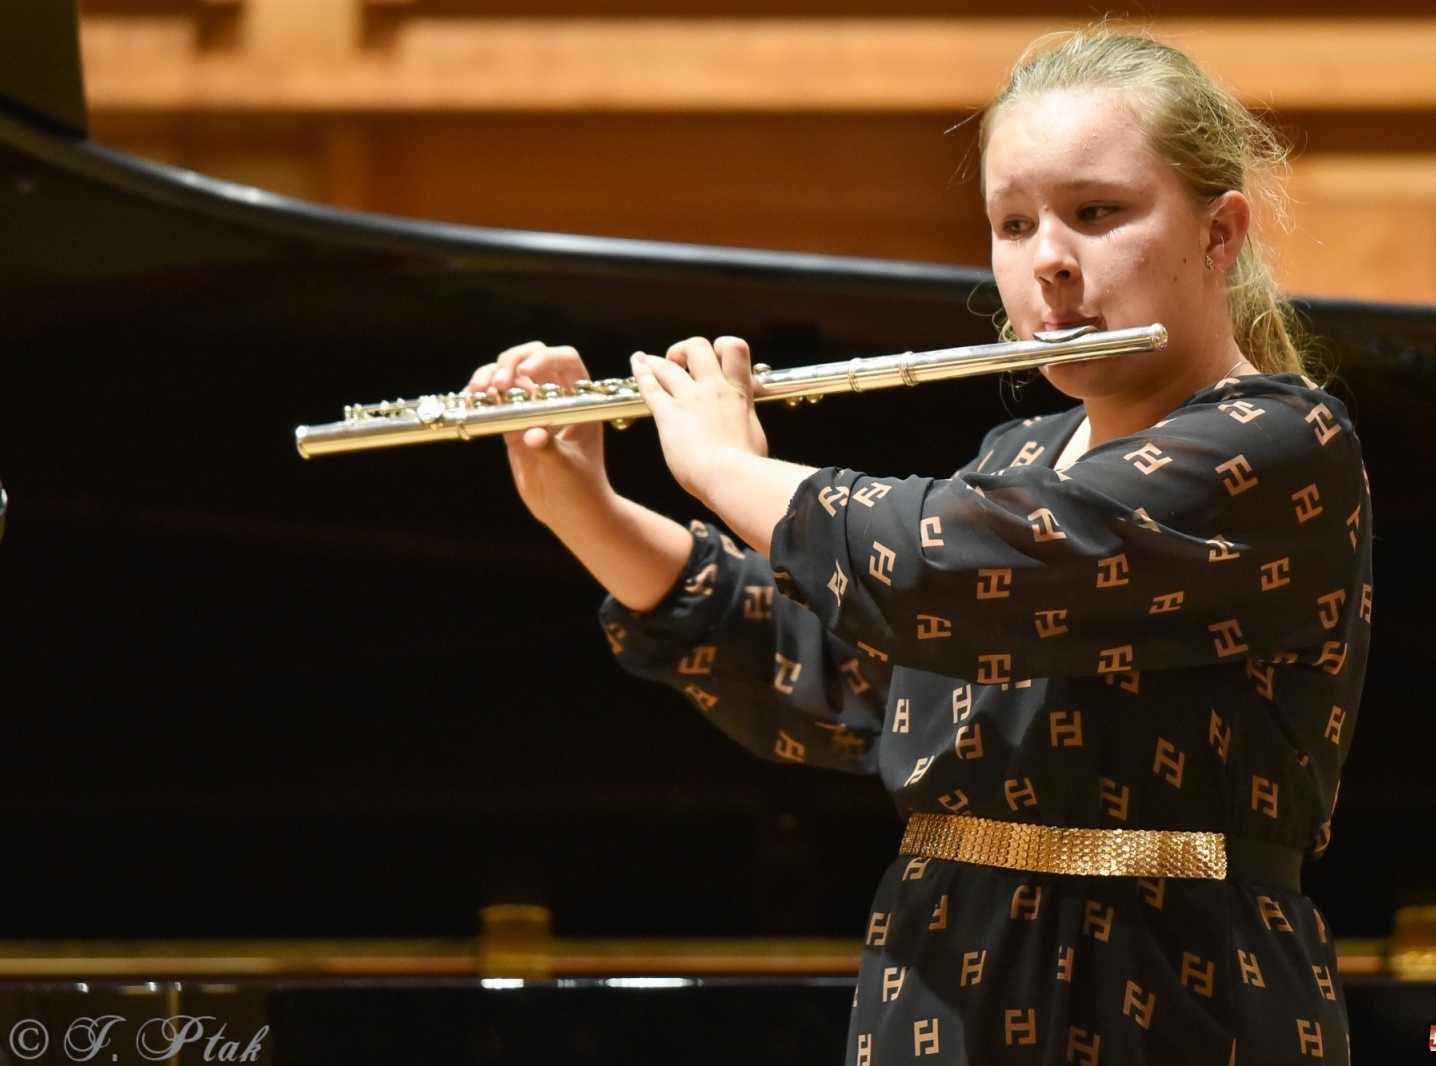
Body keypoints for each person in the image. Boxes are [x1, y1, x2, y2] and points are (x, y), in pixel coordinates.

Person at [470, 26, 1370, 1065]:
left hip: (1173, 991)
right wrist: (584, 508)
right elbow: (844, 676)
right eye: (1013, 222)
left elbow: (950, 571)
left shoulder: (1278, 443)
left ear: (1220, 233)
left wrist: (723, 466)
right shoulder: (1018, 456)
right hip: (947, 981)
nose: (1048, 262)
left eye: (1096, 213)